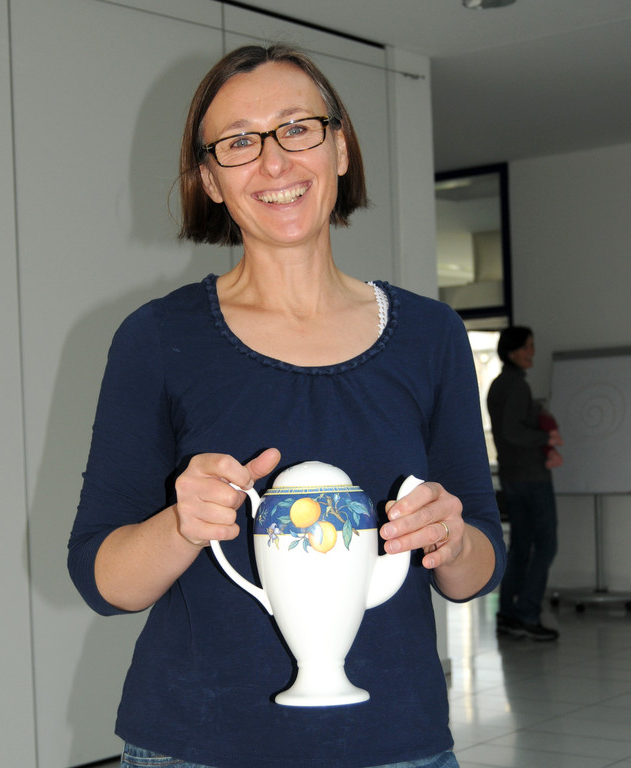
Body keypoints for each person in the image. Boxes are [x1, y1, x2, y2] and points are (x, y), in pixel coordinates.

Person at [68, 43, 505, 768]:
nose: (274, 163)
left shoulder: (431, 335)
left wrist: (453, 540)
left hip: (397, 741)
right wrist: (182, 524)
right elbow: (102, 581)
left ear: (340, 148)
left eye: (298, 128)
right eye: (239, 142)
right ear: (210, 179)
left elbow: (477, 570)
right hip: (196, 746)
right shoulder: (157, 338)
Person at [487, 326, 562, 641]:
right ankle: (527, 615)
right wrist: (546, 438)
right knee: (545, 545)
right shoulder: (516, 386)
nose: (532, 352)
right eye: (527, 346)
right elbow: (513, 431)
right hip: (531, 477)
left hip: (512, 475)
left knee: (520, 546)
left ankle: (508, 614)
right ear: (513, 351)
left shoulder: (499, 384)